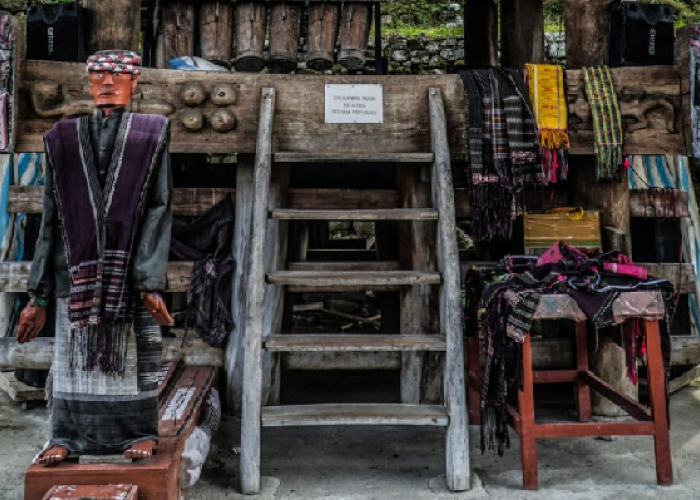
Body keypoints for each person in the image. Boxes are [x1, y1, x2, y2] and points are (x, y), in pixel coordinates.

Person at [16, 50, 174, 465]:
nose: (108, 82)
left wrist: (149, 280)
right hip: (75, 272)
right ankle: (66, 435)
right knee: (71, 361)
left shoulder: (151, 132)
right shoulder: (62, 138)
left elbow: (159, 206)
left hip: (129, 275)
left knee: (135, 356)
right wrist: (39, 296)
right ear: (88, 82)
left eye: (117, 74)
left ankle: (140, 432)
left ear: (134, 81)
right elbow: (51, 215)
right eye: (100, 74)